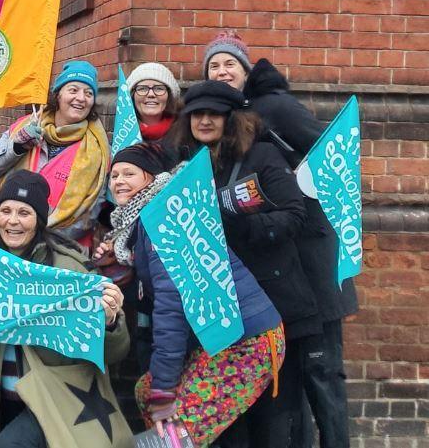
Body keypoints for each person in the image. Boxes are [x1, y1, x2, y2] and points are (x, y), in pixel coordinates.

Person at [203, 30, 357, 448]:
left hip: (311, 260)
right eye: (213, 65)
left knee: (321, 377)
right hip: (276, 269)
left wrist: (296, 188)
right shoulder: (221, 123)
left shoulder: (274, 108)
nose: (221, 72)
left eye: (229, 64)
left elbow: (329, 154)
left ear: (246, 70)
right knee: (286, 382)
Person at [97, 143, 284, 447]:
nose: (118, 181)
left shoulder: (160, 223)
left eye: (129, 173)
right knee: (146, 392)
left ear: (151, 178)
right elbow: (158, 295)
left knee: (172, 427)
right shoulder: (146, 222)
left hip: (248, 341)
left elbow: (171, 310)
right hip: (226, 337)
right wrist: (119, 268)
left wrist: (165, 391)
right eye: (114, 175)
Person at [171, 80, 322, 442]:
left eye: (214, 114)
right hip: (218, 313)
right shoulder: (184, 163)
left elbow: (293, 214)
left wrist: (242, 225)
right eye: (197, 114)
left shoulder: (262, 156)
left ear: (231, 118)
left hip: (273, 306)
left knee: (273, 416)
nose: (204, 121)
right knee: (225, 419)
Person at [0, 170, 130, 448]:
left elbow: (113, 354)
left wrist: (110, 322)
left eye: (24, 212)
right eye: (5, 210)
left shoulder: (68, 270)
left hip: (55, 405)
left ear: (39, 220)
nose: (13, 221)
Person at [0, 60, 109, 247]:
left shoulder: (97, 150)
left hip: (56, 254)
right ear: (58, 95)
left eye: (88, 93)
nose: (81, 98)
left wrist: (36, 239)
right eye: (73, 90)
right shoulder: (25, 128)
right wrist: (16, 147)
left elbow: (89, 214)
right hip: (1, 245)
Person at [127, 62, 181, 141]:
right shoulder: (122, 136)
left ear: (169, 96)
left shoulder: (185, 134)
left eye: (159, 88)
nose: (151, 94)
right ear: (132, 95)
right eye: (142, 89)